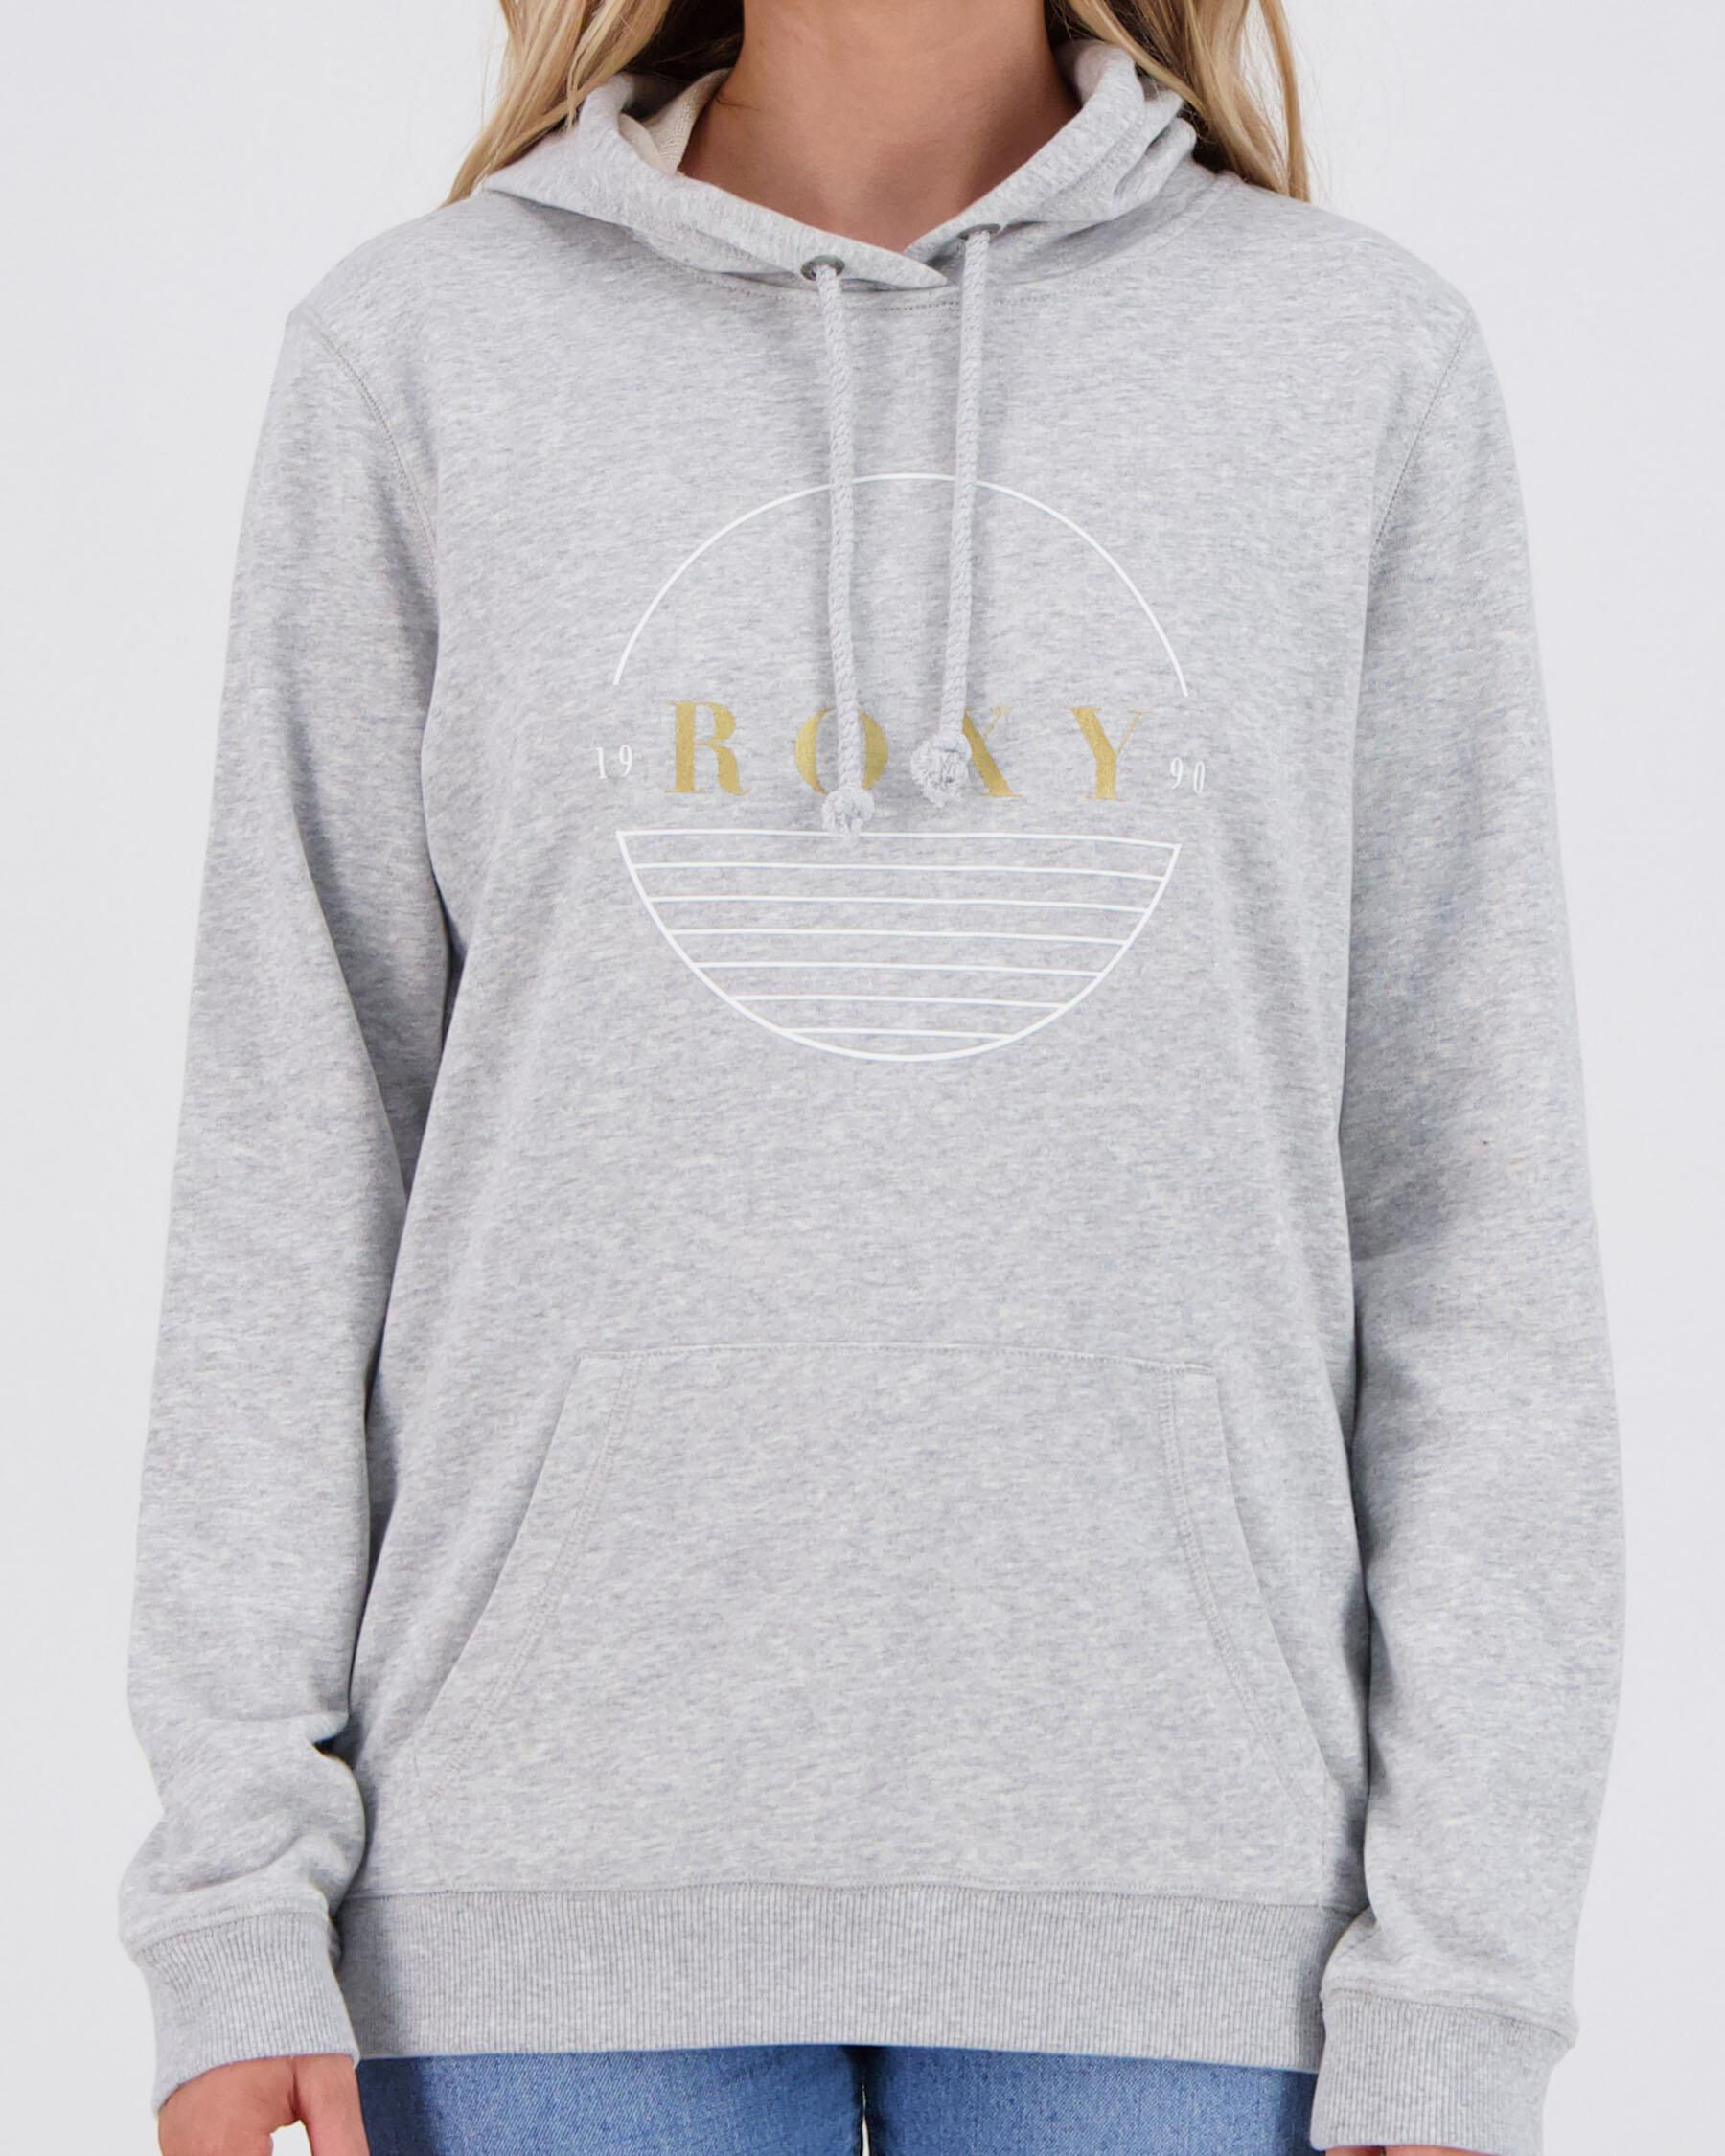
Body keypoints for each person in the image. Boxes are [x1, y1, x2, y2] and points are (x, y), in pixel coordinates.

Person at [120, 4, 1623, 2152]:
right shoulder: (426, 351)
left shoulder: (1351, 359)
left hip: (1203, 1912)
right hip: (529, 1900)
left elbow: (1471, 1199)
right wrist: (234, 1892)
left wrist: (1469, 1962)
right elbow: (291, 1159)